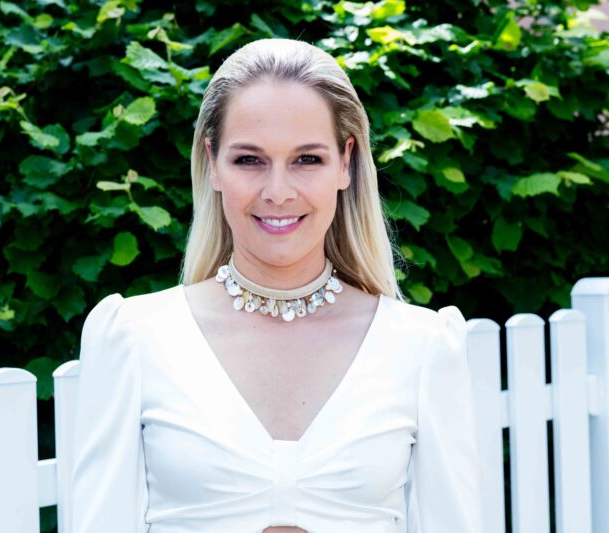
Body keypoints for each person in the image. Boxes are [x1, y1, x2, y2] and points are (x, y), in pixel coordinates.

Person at [69, 38, 482, 533]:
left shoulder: (422, 346)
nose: (278, 192)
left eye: (307, 159)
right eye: (250, 160)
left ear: (346, 162)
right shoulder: (133, 338)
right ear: (213, 163)